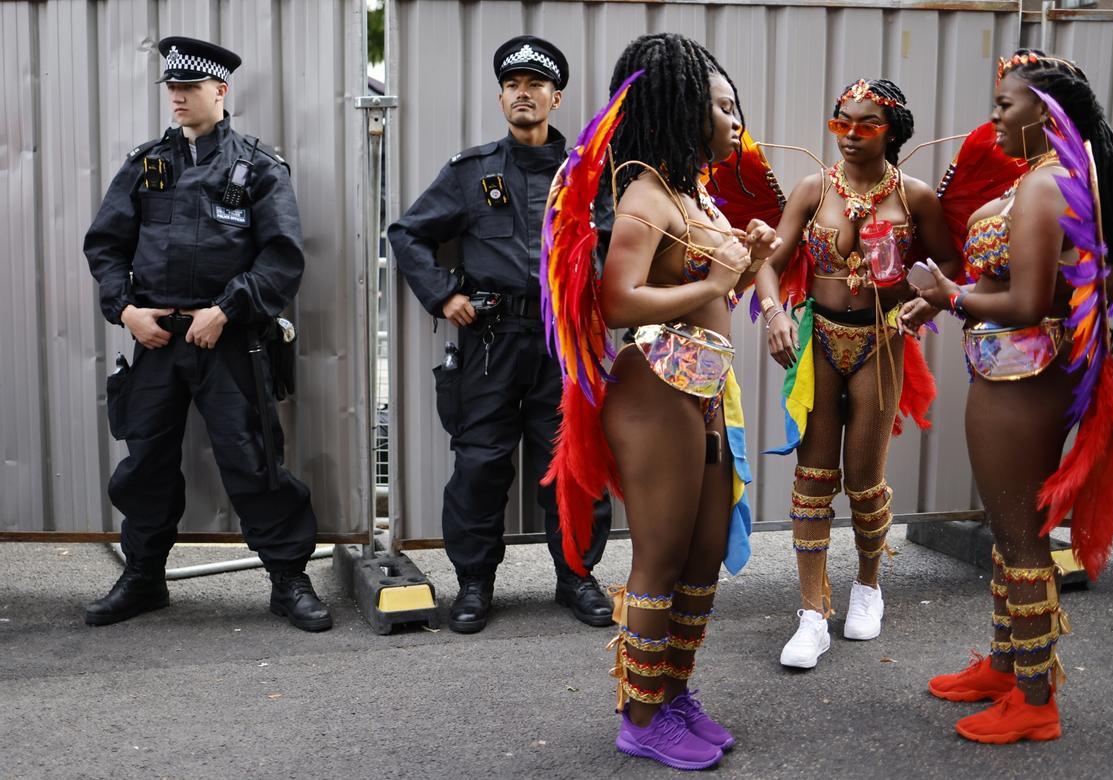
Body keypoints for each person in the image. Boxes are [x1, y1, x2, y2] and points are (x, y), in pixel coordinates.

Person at [905, 50, 1113, 743]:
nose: (992, 118)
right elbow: (1039, 287)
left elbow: (1027, 301)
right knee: (1007, 530)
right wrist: (947, 303)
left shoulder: (1046, 186)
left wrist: (947, 294)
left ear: (1045, 115)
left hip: (1022, 378)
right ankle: (1006, 665)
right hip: (1010, 373)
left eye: (1005, 105)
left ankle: (1034, 701)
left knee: (1021, 537)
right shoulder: (1043, 180)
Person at [544, 33, 778, 770]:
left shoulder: (693, 192)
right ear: (680, 108)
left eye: (736, 103)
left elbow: (714, 291)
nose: (735, 117)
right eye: (721, 104)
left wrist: (751, 261)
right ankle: (642, 716)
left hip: (703, 390)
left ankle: (674, 694)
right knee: (662, 557)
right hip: (655, 393)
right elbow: (621, 301)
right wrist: (717, 281)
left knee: (704, 553)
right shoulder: (645, 193)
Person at [83, 37, 330, 631]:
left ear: (221, 91)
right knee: (146, 464)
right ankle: (143, 578)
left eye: (189, 89)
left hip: (230, 341)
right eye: (172, 89)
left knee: (255, 461)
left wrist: (227, 309)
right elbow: (106, 245)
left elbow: (281, 258)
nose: (178, 98)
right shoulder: (145, 165)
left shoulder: (258, 167)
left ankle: (288, 581)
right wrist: (127, 312)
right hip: (158, 341)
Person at [388, 35, 613, 634]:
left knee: (571, 464)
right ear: (500, 98)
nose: (523, 94)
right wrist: (444, 295)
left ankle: (576, 577)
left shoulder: (589, 175)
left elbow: (621, 248)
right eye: (513, 85)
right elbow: (407, 234)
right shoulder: (472, 172)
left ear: (555, 97)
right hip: (492, 338)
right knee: (479, 464)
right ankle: (474, 583)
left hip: (566, 344)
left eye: (535, 85)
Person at [752, 79, 960, 668]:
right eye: (840, 121)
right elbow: (771, 264)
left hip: (882, 341)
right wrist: (773, 313)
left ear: (891, 131)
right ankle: (812, 613)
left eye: (864, 124)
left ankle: (868, 587)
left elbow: (948, 262)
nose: (848, 134)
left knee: (865, 482)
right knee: (813, 477)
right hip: (818, 341)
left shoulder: (916, 197)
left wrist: (929, 301)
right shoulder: (813, 190)